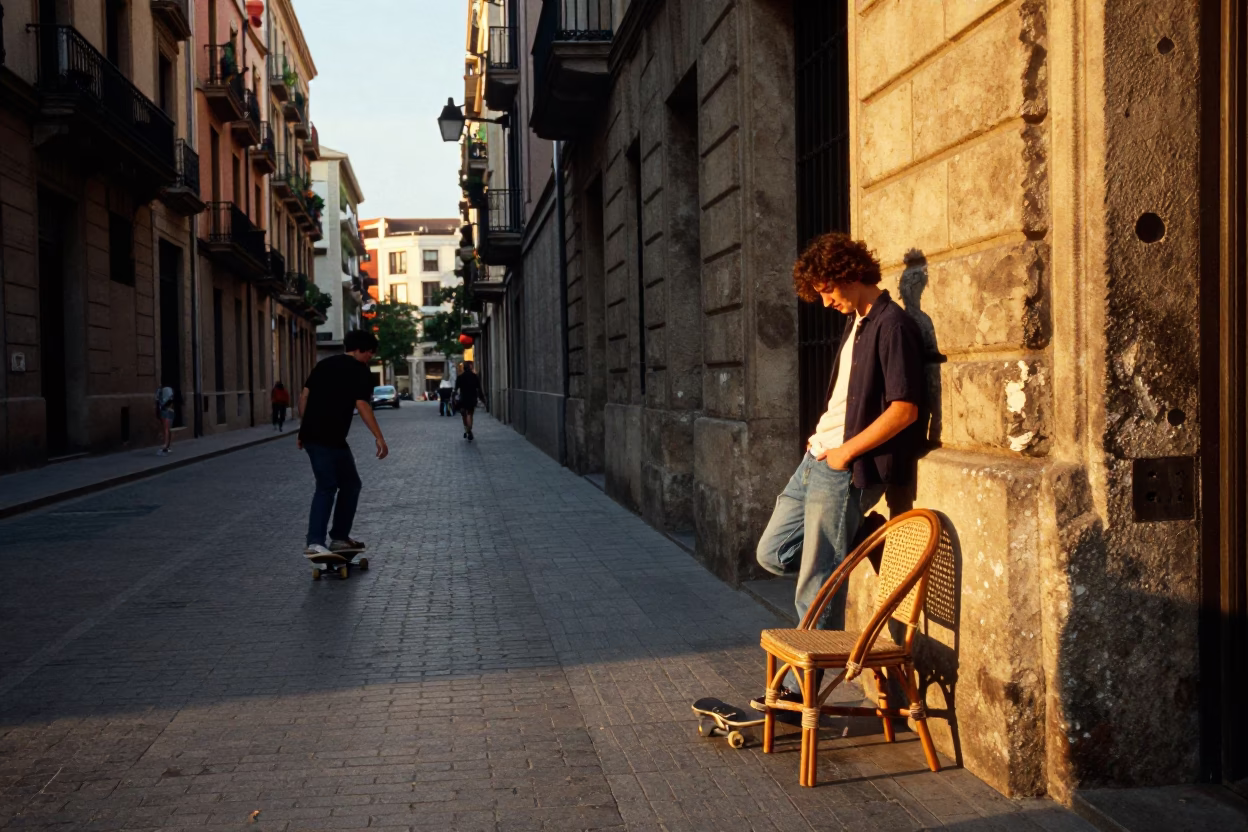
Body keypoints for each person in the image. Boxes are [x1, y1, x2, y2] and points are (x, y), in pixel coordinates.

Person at [753, 232, 924, 702]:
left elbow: (904, 409)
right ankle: (857, 537)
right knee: (771, 553)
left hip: (844, 468)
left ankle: (796, 693)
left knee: (816, 583)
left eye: (828, 291)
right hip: (815, 459)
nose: (826, 303)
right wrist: (824, 446)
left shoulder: (892, 326)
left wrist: (847, 453)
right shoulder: (859, 323)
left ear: (849, 276)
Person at [297, 330, 389, 558]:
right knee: (326, 486)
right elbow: (362, 404)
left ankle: (339, 537)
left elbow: (304, 396)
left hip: (327, 438)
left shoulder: (323, 365)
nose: (370, 357)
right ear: (360, 350)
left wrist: (303, 428)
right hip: (325, 438)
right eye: (370, 353)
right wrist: (378, 436)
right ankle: (315, 542)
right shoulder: (360, 371)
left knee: (351, 484)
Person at [455, 360, 482, 441]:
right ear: (470, 367)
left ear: (463, 368)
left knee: (464, 415)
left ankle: (467, 429)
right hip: (472, 398)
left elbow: (456, 389)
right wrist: (482, 398)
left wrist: (454, 397)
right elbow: (479, 388)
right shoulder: (474, 376)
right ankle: (469, 430)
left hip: (463, 398)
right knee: (470, 414)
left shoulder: (460, 377)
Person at [154, 386, 175, 456]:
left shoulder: (160, 391)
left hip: (164, 411)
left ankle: (165, 446)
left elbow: (157, 401)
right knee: (168, 429)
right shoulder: (170, 391)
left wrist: (159, 409)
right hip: (170, 410)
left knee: (165, 429)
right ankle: (168, 446)